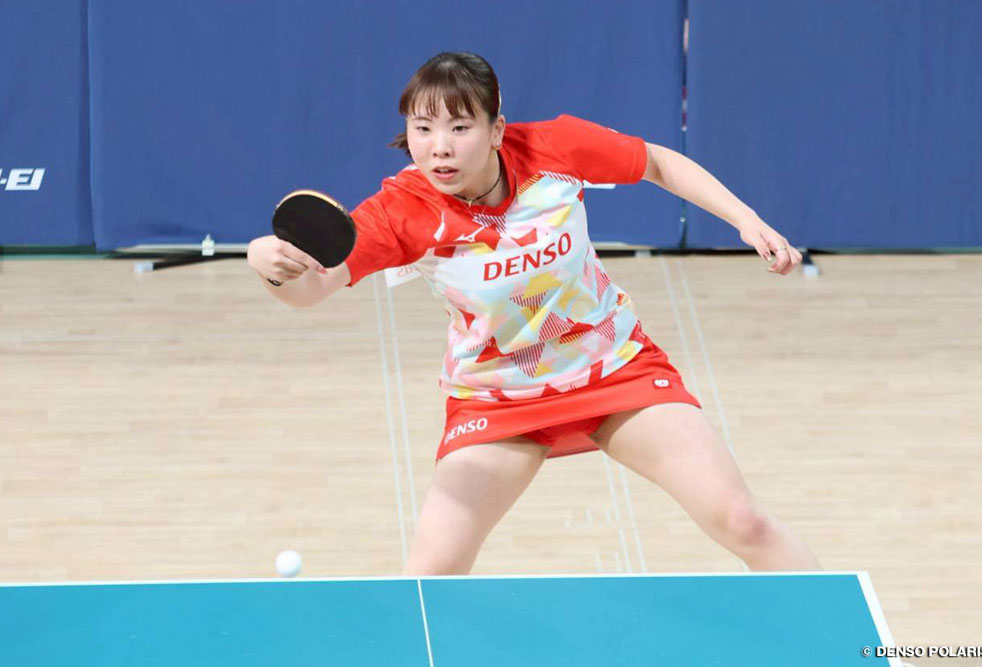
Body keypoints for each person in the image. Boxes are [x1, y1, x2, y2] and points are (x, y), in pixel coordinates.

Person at [247, 52, 821, 575]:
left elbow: (657, 163)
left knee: (742, 521)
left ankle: (854, 645)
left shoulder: (554, 149)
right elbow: (312, 290)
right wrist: (270, 267)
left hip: (613, 368)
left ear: (497, 130)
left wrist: (747, 221)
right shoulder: (402, 210)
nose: (439, 147)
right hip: (496, 398)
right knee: (430, 575)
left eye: (459, 127)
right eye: (423, 129)